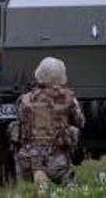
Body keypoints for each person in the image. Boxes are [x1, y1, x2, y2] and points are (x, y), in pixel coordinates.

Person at [8, 57, 85, 185]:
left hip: (26, 161)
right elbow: (80, 122)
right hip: (57, 162)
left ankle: (38, 177)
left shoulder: (25, 99)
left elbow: (20, 121)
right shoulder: (69, 98)